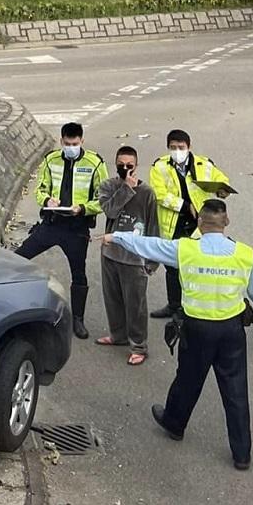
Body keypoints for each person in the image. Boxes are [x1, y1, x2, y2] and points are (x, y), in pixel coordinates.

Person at [100, 200, 253, 471]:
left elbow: (149, 245)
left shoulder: (185, 249)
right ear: (226, 222)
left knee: (187, 380)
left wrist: (117, 237)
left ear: (200, 223)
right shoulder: (244, 254)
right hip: (231, 331)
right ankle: (242, 454)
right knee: (236, 390)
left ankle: (174, 424)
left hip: (197, 329)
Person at [15, 122, 108, 340]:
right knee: (18, 258)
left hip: (76, 227)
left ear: (82, 141)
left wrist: (83, 208)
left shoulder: (95, 163)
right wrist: (47, 200)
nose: (71, 147)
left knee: (79, 273)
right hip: (52, 223)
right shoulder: (51, 160)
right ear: (61, 141)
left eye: (75, 144)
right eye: (67, 143)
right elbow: (40, 190)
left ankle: (78, 319)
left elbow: (103, 198)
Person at [148, 129, 231, 319]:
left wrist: (222, 189)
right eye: (173, 147)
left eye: (181, 147)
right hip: (174, 223)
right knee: (172, 266)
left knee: (201, 264)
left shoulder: (204, 164)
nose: (177, 151)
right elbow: (159, 195)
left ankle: (197, 306)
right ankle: (174, 306)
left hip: (201, 224)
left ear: (189, 146)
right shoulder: (159, 167)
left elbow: (221, 179)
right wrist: (185, 206)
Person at [96, 146, 161, 366]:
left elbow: (153, 226)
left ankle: (139, 346)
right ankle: (118, 335)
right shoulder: (108, 186)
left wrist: (152, 262)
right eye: (121, 165)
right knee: (112, 299)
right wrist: (125, 189)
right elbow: (110, 211)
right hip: (110, 254)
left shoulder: (147, 193)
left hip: (135, 259)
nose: (125, 169)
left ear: (136, 165)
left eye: (129, 165)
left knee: (136, 305)